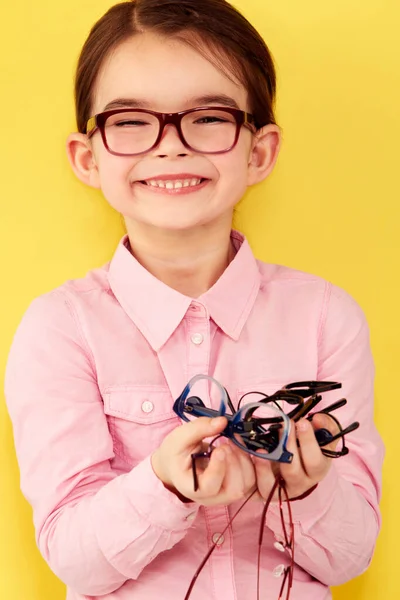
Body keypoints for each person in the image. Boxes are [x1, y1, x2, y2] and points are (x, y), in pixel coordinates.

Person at [4, 1, 384, 599]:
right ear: (89, 156)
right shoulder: (60, 328)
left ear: (258, 151)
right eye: (131, 120)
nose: (171, 145)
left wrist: (311, 488)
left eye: (209, 117)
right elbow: (73, 558)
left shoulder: (325, 317)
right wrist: (163, 486)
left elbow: (352, 557)